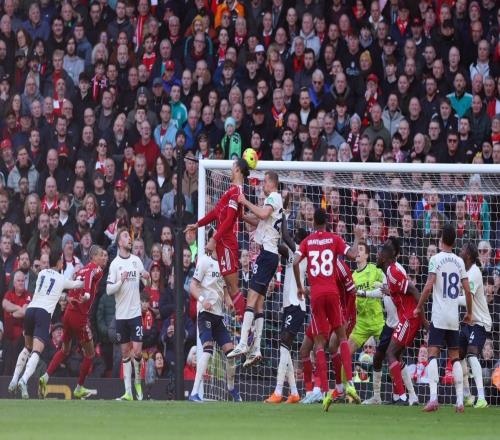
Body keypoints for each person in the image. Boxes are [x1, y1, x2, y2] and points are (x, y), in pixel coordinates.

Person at [293, 208, 360, 408]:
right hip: (332, 293)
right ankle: (349, 383)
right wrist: (357, 237)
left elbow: (295, 262)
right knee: (342, 338)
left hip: (316, 295)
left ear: (313, 222)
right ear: (327, 222)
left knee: (319, 344)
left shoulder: (307, 241)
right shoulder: (334, 239)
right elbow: (353, 255)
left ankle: (323, 392)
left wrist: (300, 286)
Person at [413, 224, 472, 412]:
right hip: (453, 317)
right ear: (454, 241)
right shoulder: (459, 262)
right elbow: (467, 291)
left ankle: (433, 399)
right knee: (455, 358)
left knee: (432, 354)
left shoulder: (435, 259)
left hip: (438, 316)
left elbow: (429, 285)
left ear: (440, 240)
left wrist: (419, 306)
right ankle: (460, 401)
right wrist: (469, 313)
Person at [7, 252, 83, 398]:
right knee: (36, 351)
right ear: (59, 263)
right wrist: (80, 276)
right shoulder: (61, 278)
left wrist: (63, 296)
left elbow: (49, 291)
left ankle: (14, 379)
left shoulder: (41, 273)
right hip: (43, 313)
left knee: (27, 347)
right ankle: (24, 380)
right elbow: (78, 284)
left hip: (30, 310)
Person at [228, 171, 282, 365]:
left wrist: (245, 201)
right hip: (269, 256)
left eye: (264, 182)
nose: (262, 185)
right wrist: (243, 215)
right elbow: (259, 221)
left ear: (271, 183)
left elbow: (263, 213)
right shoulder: (273, 201)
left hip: (266, 255)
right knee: (258, 303)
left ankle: (243, 343)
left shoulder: (273, 197)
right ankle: (256, 349)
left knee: (250, 298)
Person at [39, 246, 107, 399]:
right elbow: (90, 275)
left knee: (65, 350)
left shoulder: (80, 270)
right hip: (79, 316)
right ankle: (79, 388)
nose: (104, 258)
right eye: (101, 255)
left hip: (68, 313)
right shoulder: (95, 268)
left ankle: (45, 377)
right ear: (93, 257)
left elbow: (73, 285)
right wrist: (87, 294)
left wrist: (69, 297)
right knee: (90, 354)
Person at [184, 159, 249, 317]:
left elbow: (229, 219)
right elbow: (216, 212)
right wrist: (198, 224)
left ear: (238, 170)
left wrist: (214, 239)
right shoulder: (231, 190)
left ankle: (247, 325)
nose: (230, 169)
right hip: (222, 242)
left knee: (233, 287)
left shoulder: (237, 192)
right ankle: (244, 323)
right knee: (229, 286)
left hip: (227, 243)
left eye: (233, 167)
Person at [188, 229, 241, 403]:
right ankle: (194, 392)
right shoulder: (204, 261)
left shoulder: (224, 265)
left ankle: (231, 388)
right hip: (205, 314)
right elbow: (193, 286)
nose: (211, 241)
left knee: (231, 354)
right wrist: (202, 300)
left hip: (218, 316)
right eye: (212, 238)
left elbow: (224, 290)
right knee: (208, 350)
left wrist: (229, 302)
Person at [264, 218, 308, 404]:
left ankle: (278, 391)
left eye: (297, 235)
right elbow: (279, 245)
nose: (294, 237)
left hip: (297, 305)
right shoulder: (292, 253)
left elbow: (286, 237)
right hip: (289, 305)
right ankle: (295, 393)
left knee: (284, 343)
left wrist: (283, 215)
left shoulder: (301, 252)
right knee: (285, 346)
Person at [374, 237, 422, 405]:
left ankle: (402, 396)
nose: (377, 255)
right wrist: (389, 292)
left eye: (381, 252)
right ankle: (407, 397)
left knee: (390, 354)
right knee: (392, 356)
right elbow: (398, 293)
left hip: (404, 319)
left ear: (389, 255)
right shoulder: (389, 271)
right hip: (399, 319)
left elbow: (413, 290)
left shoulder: (395, 270)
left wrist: (422, 318)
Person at [106, 228, 151, 401]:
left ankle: (138, 383)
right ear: (119, 242)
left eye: (129, 237)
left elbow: (146, 282)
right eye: (126, 236)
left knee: (137, 352)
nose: (129, 239)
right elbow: (109, 289)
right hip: (121, 315)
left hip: (135, 313)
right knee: (125, 353)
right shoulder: (115, 264)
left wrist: (146, 276)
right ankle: (128, 392)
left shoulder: (136, 261)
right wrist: (120, 280)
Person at [458, 242, 491, 409]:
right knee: (458, 355)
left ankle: (482, 398)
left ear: (469, 255)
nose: (460, 251)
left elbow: (467, 300)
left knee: (471, 355)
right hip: (469, 322)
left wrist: (448, 300)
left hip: (480, 322)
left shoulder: (474, 272)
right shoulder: (464, 272)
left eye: (463, 250)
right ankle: (467, 395)